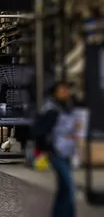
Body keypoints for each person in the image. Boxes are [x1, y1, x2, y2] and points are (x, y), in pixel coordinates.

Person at [34, 81, 80, 217]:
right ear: (55, 93)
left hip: (66, 152)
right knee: (69, 188)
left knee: (64, 189)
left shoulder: (63, 107)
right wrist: (47, 148)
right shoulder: (52, 110)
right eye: (62, 90)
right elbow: (39, 131)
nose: (66, 93)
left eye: (66, 90)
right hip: (57, 153)